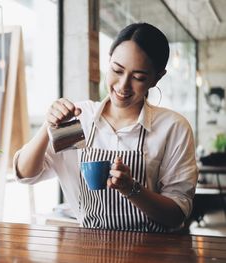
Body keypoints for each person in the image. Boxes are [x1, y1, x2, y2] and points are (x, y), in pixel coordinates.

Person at [13, 22, 198, 232]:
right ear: (108, 60)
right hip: (88, 249)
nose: (123, 85)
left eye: (138, 77)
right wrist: (48, 124)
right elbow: (25, 173)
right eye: (117, 70)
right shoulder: (79, 119)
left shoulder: (172, 128)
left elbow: (177, 214)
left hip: (153, 250)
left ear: (157, 78)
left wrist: (132, 188)